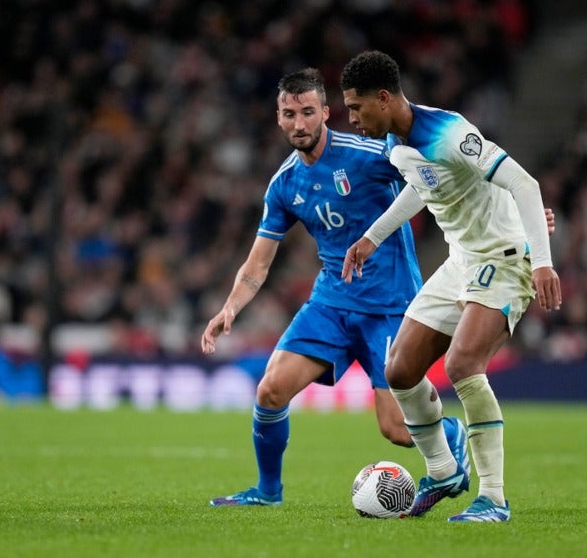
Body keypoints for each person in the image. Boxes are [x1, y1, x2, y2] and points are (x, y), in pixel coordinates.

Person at [201, 68, 470, 507]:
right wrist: (230, 308)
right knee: (270, 390)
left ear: (326, 112)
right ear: (279, 118)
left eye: (308, 112)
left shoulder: (366, 156)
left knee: (396, 430)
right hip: (330, 304)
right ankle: (268, 492)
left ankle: (452, 432)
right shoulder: (285, 184)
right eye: (290, 114)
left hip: (391, 305)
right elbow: (258, 264)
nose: (299, 123)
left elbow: (429, 179)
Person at [340, 50, 562, 522]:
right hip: (460, 261)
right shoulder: (394, 143)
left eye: (357, 108)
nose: (353, 119)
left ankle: (494, 499)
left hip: (504, 260)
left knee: (462, 364)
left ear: (384, 98)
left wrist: (541, 261)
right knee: (398, 369)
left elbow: (524, 185)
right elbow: (422, 184)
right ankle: (442, 470)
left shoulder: (450, 133)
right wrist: (371, 238)